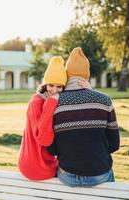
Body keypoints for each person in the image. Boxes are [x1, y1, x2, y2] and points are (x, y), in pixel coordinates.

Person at [49, 47, 120, 187]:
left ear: (67, 76)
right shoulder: (104, 100)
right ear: (86, 76)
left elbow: (51, 148)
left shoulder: (54, 103)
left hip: (67, 175)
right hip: (99, 175)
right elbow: (114, 144)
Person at [18, 56, 89, 180]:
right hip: (37, 166)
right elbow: (44, 140)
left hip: (40, 162)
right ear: (45, 84)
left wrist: (88, 91)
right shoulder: (37, 102)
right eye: (51, 85)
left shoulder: (56, 100)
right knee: (74, 173)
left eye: (59, 87)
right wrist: (50, 104)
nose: (54, 90)